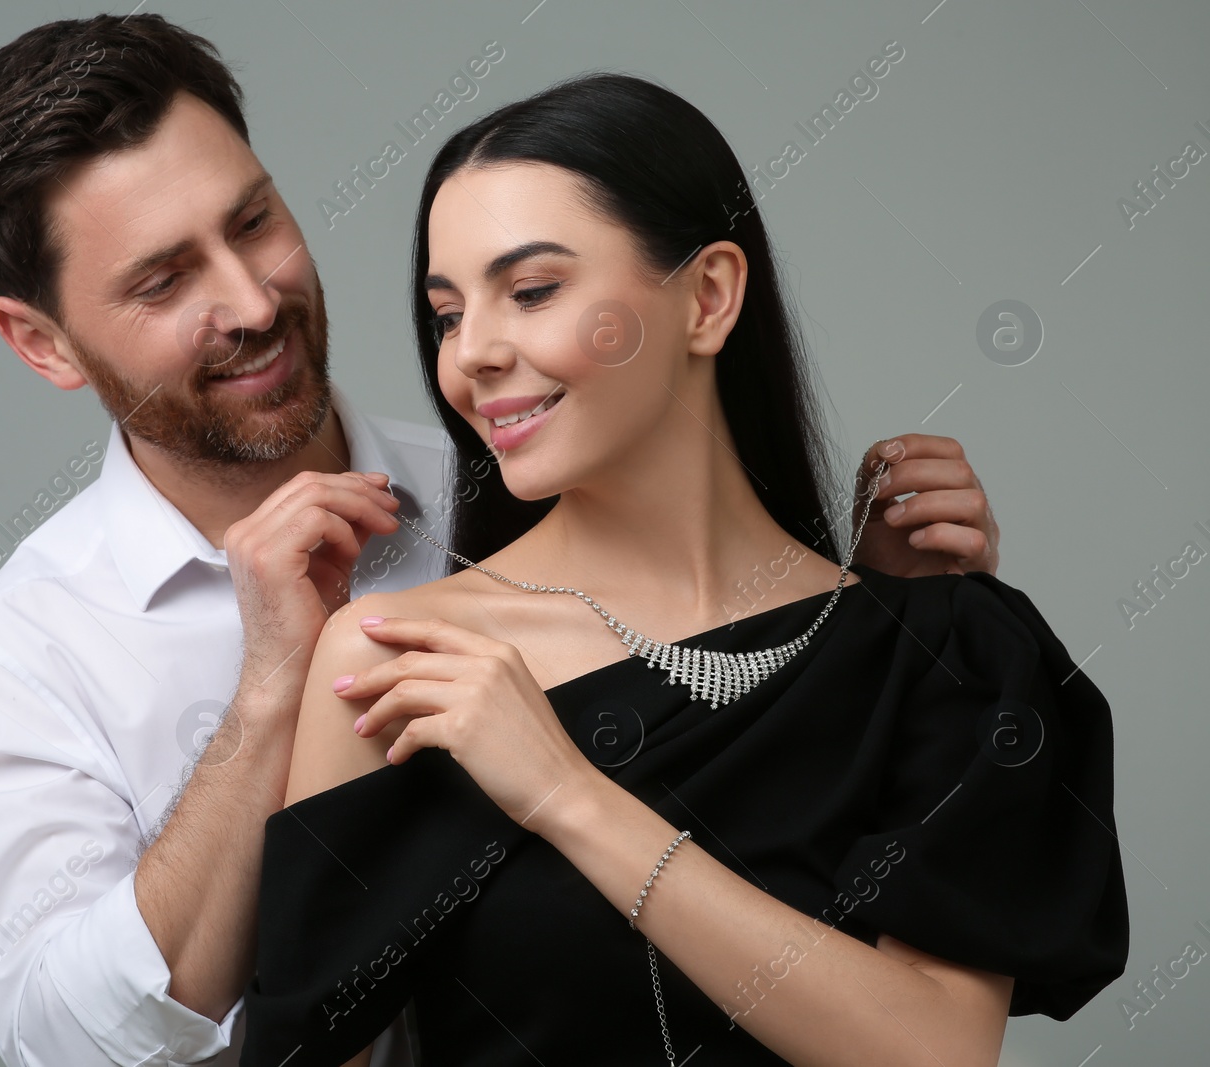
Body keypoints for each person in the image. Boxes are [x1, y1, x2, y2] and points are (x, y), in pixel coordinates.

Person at [0, 15, 1007, 1067]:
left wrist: (871, 633)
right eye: (162, 282)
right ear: (42, 342)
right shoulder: (19, 651)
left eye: (252, 222)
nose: (250, 300)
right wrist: (268, 698)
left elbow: (759, 802)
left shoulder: (530, 461)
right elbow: (70, 1040)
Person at [241, 73, 1127, 1066]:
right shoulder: (400, 658)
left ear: (707, 297)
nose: (472, 354)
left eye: (531, 290)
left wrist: (566, 794)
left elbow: (934, 1050)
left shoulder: (943, 648)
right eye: (447, 313)